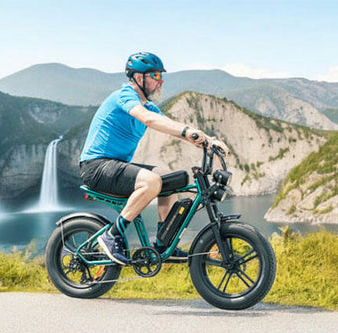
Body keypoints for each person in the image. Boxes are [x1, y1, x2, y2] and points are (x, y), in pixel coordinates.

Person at [79, 52, 229, 265]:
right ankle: (112, 235)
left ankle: (163, 244)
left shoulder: (149, 106)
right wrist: (188, 131)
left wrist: (209, 140)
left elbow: (167, 123)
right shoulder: (124, 96)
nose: (161, 82)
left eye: (161, 76)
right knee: (152, 181)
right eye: (156, 76)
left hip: (116, 165)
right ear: (139, 78)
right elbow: (148, 119)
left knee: (172, 178)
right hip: (96, 166)